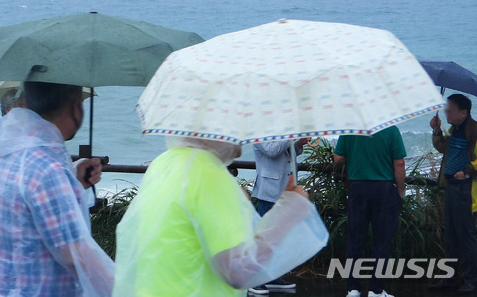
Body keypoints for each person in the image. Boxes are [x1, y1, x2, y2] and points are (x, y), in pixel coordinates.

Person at [113, 136, 328, 297]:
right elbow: (239, 271)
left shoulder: (164, 163)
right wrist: (291, 211)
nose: (241, 147)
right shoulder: (208, 174)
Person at [0, 81, 114, 297]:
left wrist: (72, 180)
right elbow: (75, 254)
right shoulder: (47, 171)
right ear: (71, 107)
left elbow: (21, 221)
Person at [334, 126, 406, 297]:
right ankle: (376, 289)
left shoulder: (350, 129)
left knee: (355, 239)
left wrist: (357, 155)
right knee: (382, 241)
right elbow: (399, 163)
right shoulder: (391, 130)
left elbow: (338, 158)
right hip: (383, 188)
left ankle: (353, 288)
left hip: (358, 188)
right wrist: (400, 191)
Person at [428, 93, 477, 293]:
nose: (447, 111)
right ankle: (451, 277)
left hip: (466, 189)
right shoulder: (454, 129)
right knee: (451, 235)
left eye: (450, 109)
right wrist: (437, 129)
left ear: (463, 112)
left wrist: (465, 172)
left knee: (466, 235)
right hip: (450, 186)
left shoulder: (474, 130)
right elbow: (442, 148)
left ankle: (472, 279)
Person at [248, 138, 310, 294]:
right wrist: (290, 136)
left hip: (284, 188)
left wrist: (298, 144)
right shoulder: (260, 129)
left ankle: (272, 276)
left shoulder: (279, 129)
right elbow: (272, 151)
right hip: (269, 190)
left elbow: (288, 153)